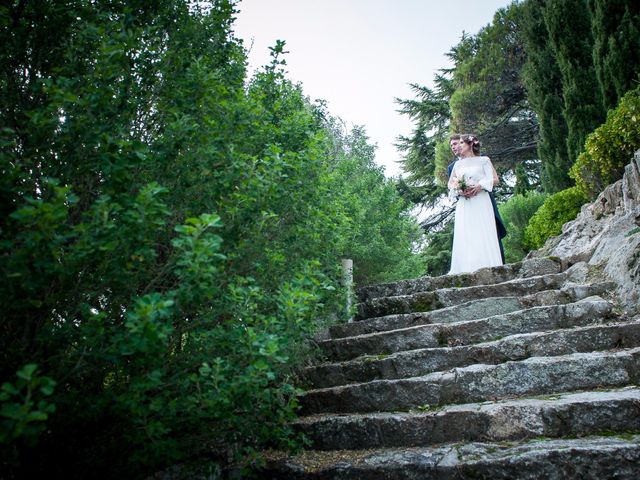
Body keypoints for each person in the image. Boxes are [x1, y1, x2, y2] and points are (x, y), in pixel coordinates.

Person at [448, 134, 503, 274]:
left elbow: (495, 179)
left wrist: (480, 185)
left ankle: (489, 265)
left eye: (461, 143)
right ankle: (467, 267)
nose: (458, 146)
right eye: (457, 143)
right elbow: (450, 184)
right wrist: (460, 191)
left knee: (483, 230)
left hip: (481, 200)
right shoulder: (457, 165)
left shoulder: (484, 160)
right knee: (467, 233)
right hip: (465, 203)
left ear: (470, 144)